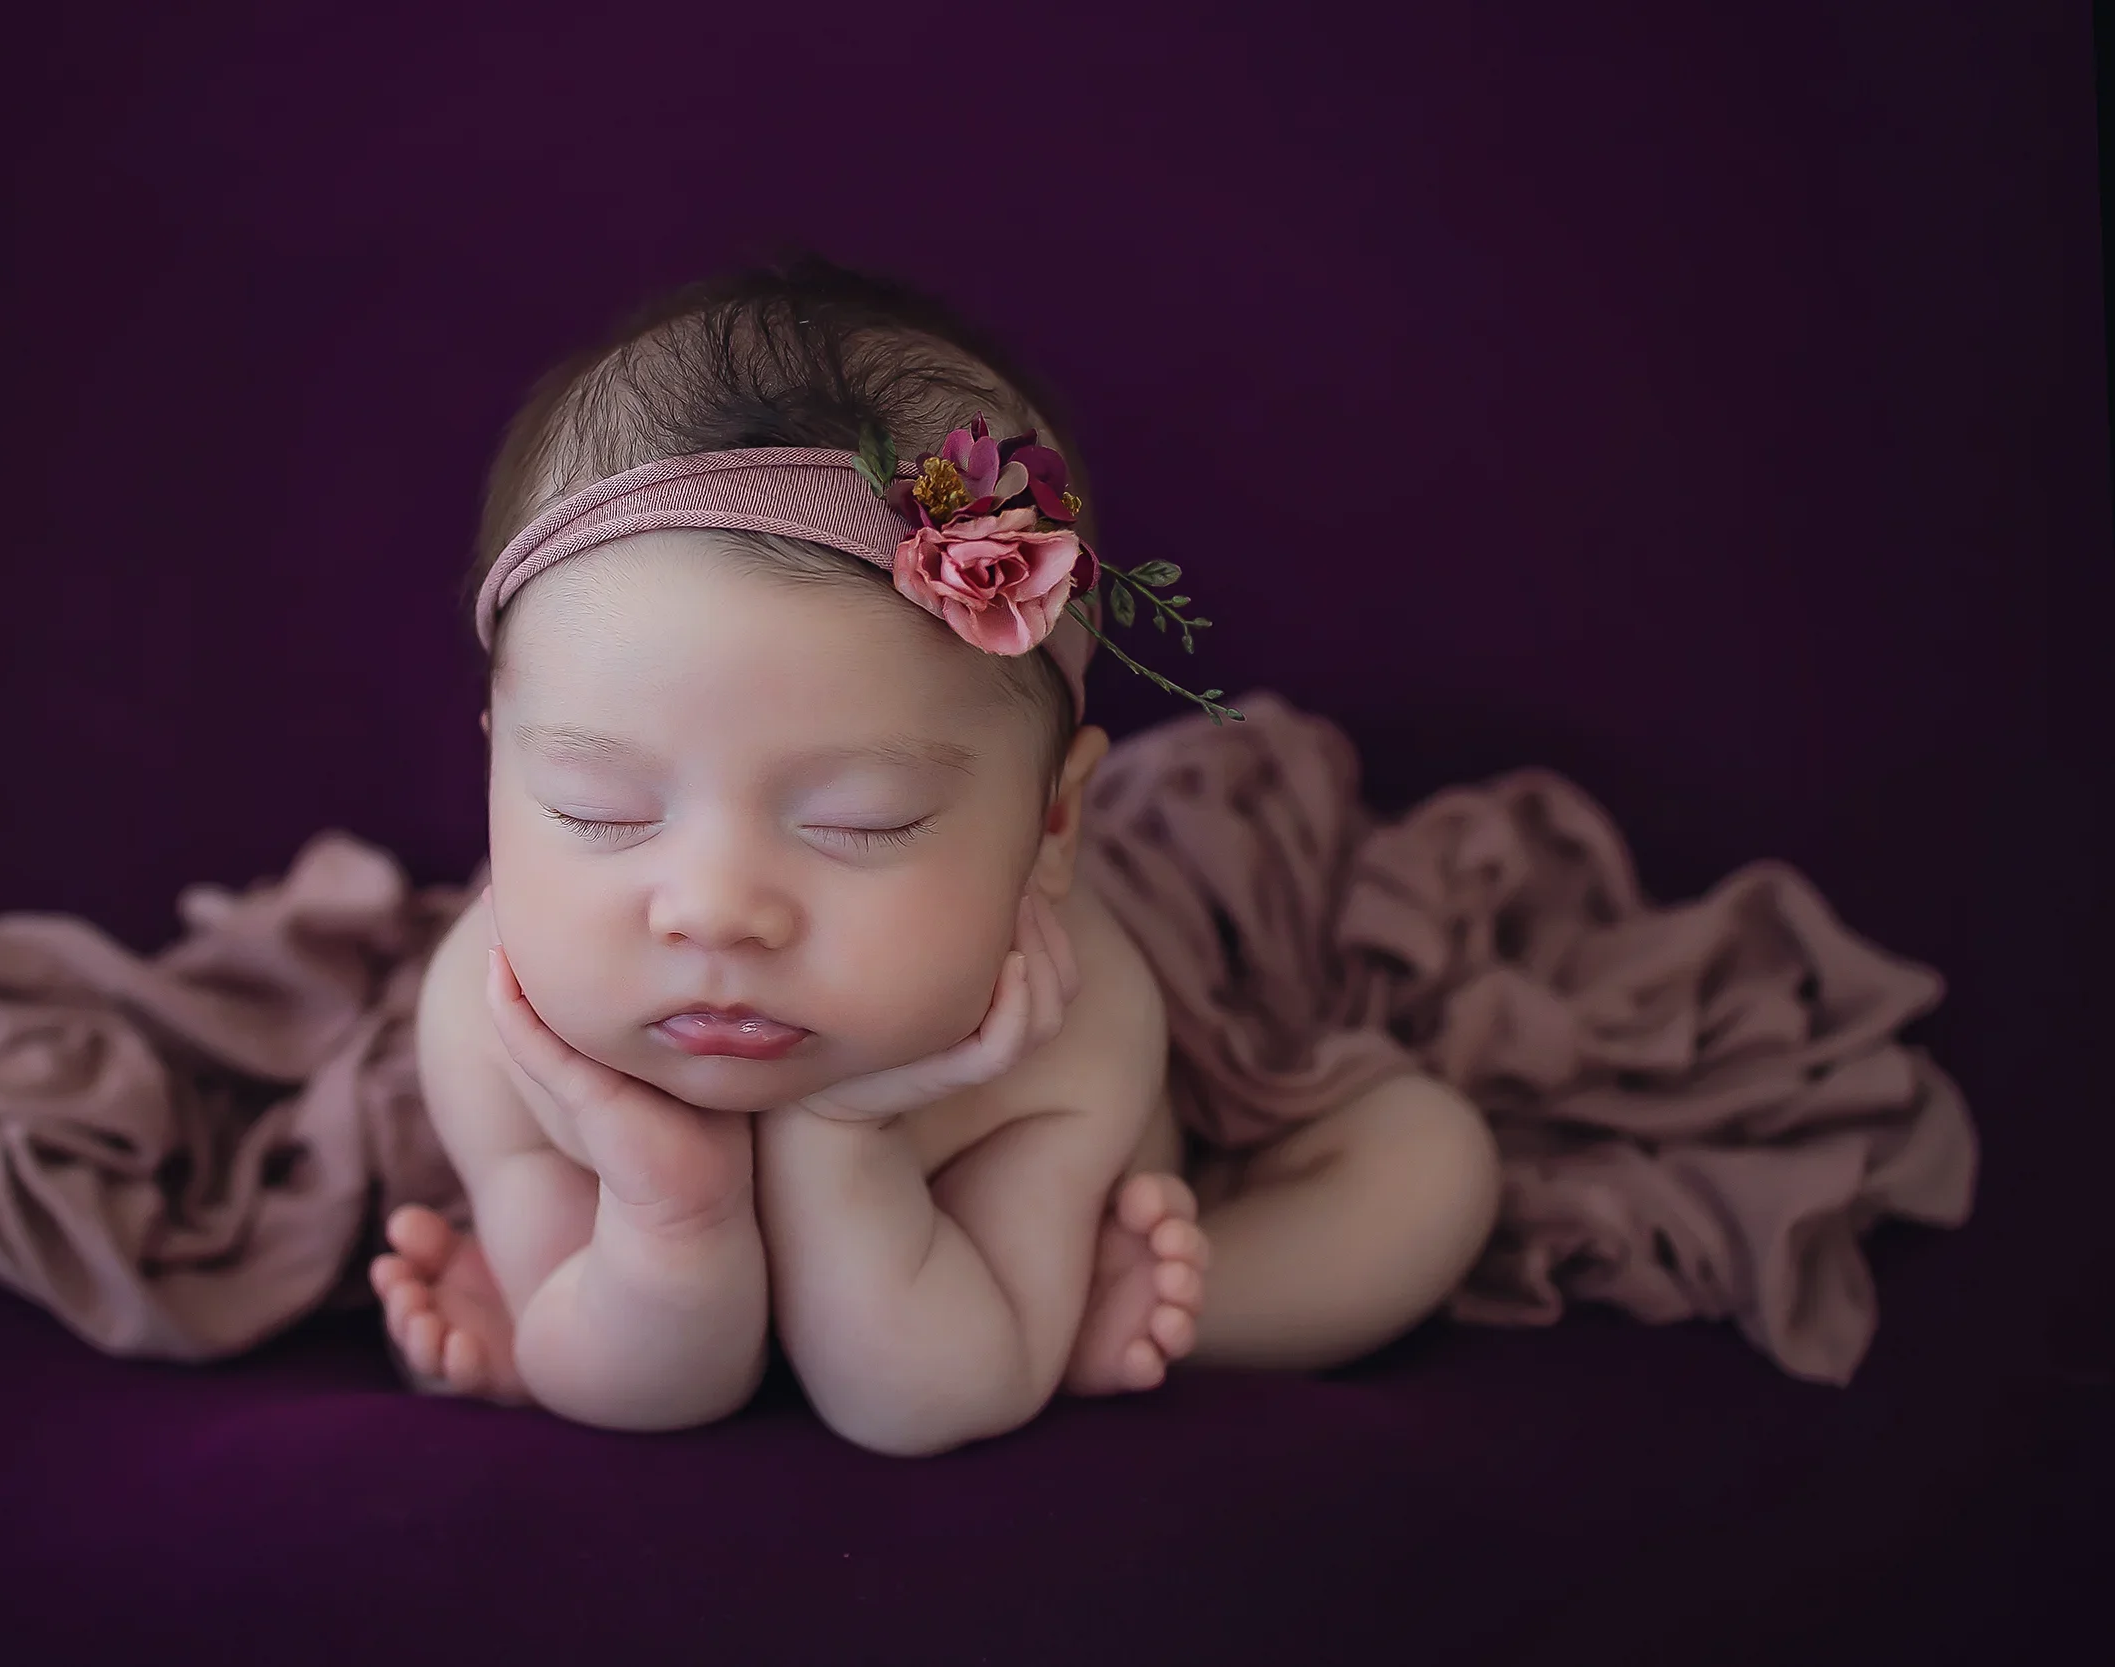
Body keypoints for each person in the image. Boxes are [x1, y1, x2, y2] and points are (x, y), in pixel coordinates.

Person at [369, 256, 1503, 1456]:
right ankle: (980, 1313)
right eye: (598, 810)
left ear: (1050, 828)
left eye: (861, 820)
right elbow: (649, 1395)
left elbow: (924, 1401)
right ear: (501, 774)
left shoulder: (1063, 1017)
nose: (714, 909)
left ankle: (1105, 1310)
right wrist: (666, 1205)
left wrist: (844, 1141)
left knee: (1433, 1170)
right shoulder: (502, 1026)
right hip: (682, 1291)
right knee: (602, 1332)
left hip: (971, 1292)